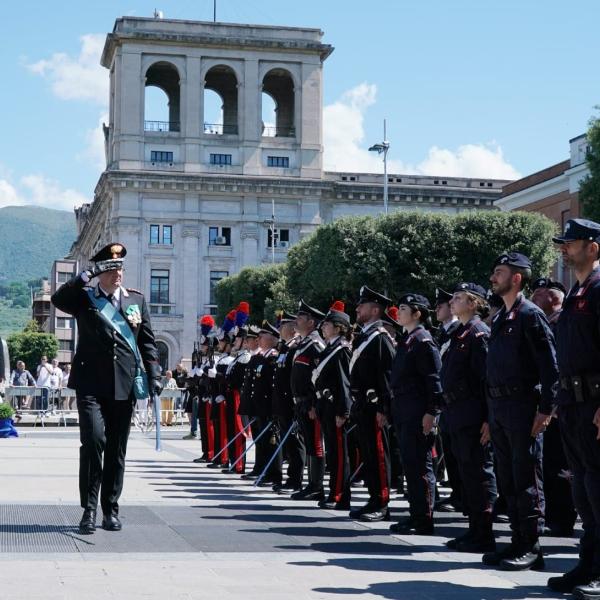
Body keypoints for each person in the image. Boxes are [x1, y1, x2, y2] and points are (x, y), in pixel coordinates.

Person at [51, 242, 162, 534]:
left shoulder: (135, 301)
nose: (118, 274)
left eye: (120, 268)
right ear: (101, 271)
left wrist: (154, 375)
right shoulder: (85, 298)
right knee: (94, 442)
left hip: (124, 385)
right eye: (111, 269)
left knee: (116, 449)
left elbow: (147, 342)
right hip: (90, 384)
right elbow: (58, 299)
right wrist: (86, 274)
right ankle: (88, 509)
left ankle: (110, 509)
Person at [483, 251, 558, 571]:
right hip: (500, 408)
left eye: (499, 272)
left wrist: (545, 410)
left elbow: (550, 367)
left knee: (526, 477)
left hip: (523, 407)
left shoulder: (530, 315)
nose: (493, 277)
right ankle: (516, 539)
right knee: (508, 478)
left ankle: (531, 544)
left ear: (516, 278)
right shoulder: (503, 316)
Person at [548, 218, 600, 598]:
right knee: (583, 490)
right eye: (563, 243)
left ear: (593, 246)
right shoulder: (576, 291)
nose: (564, 248)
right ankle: (588, 564)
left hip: (594, 403)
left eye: (572, 242)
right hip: (572, 403)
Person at [441, 283, 497, 551]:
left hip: (474, 414)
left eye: (459, 298)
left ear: (474, 303)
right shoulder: (461, 332)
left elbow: (486, 379)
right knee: (466, 474)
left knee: (478, 474)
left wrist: (488, 418)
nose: (453, 301)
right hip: (458, 412)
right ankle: (474, 529)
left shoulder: (478, 334)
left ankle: (483, 533)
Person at [389, 293, 442, 535]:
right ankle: (415, 514)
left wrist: (431, 412)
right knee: (410, 465)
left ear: (417, 313)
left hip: (418, 411)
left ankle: (424, 518)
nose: (398, 312)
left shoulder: (423, 341)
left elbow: (433, 381)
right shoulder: (408, 339)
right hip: (404, 410)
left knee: (421, 466)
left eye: (403, 308)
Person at [530, 277, 576, 538]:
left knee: (562, 465)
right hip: (548, 405)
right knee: (550, 464)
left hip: (563, 407)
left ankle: (563, 518)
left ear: (555, 297)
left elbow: (561, 366)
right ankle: (556, 515)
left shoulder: (563, 321)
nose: (534, 296)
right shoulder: (546, 323)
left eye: (540, 292)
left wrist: (556, 402)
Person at [349, 286, 395, 522]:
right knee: (368, 454)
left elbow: (387, 377)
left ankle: (382, 501)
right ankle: (373, 497)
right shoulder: (365, 336)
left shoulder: (380, 339)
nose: (357, 308)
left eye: (362, 305)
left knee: (378, 454)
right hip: (361, 406)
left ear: (375, 310)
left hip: (374, 406)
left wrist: (383, 409)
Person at [313, 301, 353, 510]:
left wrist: (343, 410)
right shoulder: (330, 348)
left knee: (338, 454)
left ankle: (339, 495)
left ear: (338, 327)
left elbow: (343, 383)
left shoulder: (341, 350)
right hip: (325, 406)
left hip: (335, 407)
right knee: (333, 453)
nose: (323, 327)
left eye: (327, 324)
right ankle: (333, 492)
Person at [290, 300, 326, 500]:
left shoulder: (316, 345)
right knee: (310, 442)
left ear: (311, 322)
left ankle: (316, 486)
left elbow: (319, 378)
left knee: (316, 444)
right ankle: (311, 484)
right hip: (301, 402)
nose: (296, 321)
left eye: (300, 318)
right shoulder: (303, 344)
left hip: (311, 403)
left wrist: (313, 403)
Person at [433, 287, 463, 513]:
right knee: (450, 452)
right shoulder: (442, 332)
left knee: (461, 454)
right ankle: (457, 493)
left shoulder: (458, 330)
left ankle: (463, 495)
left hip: (459, 401)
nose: (438, 309)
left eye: (441, 305)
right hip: (445, 401)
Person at [272, 311, 304, 493]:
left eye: (282, 326)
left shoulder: (296, 347)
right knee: (288, 443)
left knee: (295, 441)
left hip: (290, 402)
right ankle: (291, 478)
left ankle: (295, 479)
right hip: (282, 403)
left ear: (291, 328)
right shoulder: (285, 347)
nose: (279, 330)